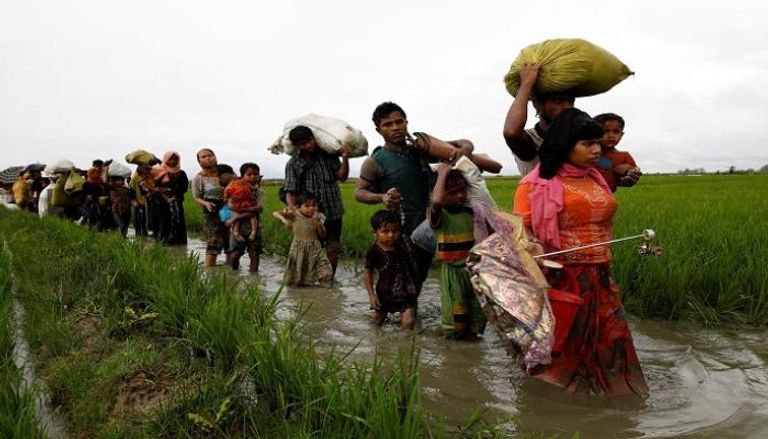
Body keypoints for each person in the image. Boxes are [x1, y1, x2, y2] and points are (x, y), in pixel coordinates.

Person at [512, 108, 648, 397]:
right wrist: (533, 246)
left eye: (597, 143)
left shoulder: (596, 178)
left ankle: (614, 397)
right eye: (587, 144)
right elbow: (521, 232)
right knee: (565, 348)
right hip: (561, 279)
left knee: (612, 339)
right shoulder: (535, 185)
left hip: (600, 274)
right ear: (565, 144)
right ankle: (553, 403)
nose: (597, 149)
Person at [355, 101, 474, 292]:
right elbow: (359, 192)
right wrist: (382, 197)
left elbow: (466, 144)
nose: (395, 127)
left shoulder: (423, 150)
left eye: (399, 122)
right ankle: (388, 308)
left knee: (420, 277)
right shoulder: (375, 161)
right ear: (379, 130)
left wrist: (462, 152)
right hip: (400, 231)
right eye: (388, 124)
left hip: (430, 226)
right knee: (401, 281)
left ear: (406, 122)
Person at [282, 126, 350, 277]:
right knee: (310, 247)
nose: (308, 145)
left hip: (333, 210)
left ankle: (328, 280)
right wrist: (293, 210)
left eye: (309, 141)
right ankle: (308, 279)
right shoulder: (293, 164)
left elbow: (342, 177)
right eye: (302, 144)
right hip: (309, 214)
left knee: (333, 247)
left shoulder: (329, 155)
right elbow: (290, 190)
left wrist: (345, 157)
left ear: (314, 138)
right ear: (296, 146)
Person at [430, 164, 486, 340]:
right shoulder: (439, 215)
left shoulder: (471, 212)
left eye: (462, 191)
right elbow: (437, 201)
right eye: (452, 193)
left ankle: (468, 352)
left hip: (474, 272)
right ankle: (451, 349)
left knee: (476, 323)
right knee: (457, 325)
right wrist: (442, 173)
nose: (460, 195)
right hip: (453, 273)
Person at [503, 64, 575, 175]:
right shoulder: (532, 140)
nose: (567, 107)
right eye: (557, 101)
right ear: (537, 104)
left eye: (570, 102)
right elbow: (511, 133)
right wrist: (526, 84)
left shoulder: (578, 138)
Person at [363, 210, 418, 329]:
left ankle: (406, 340)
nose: (391, 235)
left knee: (408, 322)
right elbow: (367, 273)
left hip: (406, 291)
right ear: (375, 233)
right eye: (385, 231)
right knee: (377, 322)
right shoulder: (373, 251)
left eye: (395, 231)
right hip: (385, 293)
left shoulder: (402, 244)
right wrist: (372, 295)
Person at [277, 192, 333, 287]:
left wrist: (318, 223)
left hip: (315, 248)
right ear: (299, 207)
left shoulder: (319, 217)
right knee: (296, 275)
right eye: (307, 206)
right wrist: (284, 220)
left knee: (326, 271)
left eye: (314, 205)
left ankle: (328, 291)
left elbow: (323, 235)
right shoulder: (294, 215)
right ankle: (298, 291)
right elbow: (276, 213)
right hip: (298, 249)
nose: (311, 208)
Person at [224, 163, 265, 273]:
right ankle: (234, 275)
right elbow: (230, 206)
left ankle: (254, 278)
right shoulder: (235, 189)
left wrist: (239, 211)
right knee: (234, 255)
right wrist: (248, 210)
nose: (253, 177)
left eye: (255, 174)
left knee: (254, 254)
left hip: (255, 226)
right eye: (249, 174)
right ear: (242, 176)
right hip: (237, 228)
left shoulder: (260, 192)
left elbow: (259, 208)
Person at [191, 149, 228, 267]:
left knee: (231, 242)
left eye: (210, 155)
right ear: (199, 161)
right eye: (203, 157)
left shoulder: (225, 173)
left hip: (228, 210)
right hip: (212, 212)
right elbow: (196, 197)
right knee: (213, 243)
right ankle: (210, 272)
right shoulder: (198, 178)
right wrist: (206, 203)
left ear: (215, 157)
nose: (207, 158)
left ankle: (231, 270)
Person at [594, 113, 642, 192]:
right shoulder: (585, 154)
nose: (611, 135)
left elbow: (632, 176)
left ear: (621, 135)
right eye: (605, 131)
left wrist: (630, 177)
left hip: (606, 197)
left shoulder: (624, 157)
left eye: (616, 131)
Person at [151, 151, 188, 245]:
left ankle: (179, 242)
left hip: (177, 200)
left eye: (175, 159)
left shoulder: (181, 173)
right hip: (162, 201)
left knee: (178, 220)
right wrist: (163, 192)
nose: (172, 161)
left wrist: (173, 194)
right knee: (163, 220)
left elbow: (184, 187)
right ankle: (163, 241)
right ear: (166, 159)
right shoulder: (159, 172)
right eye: (170, 159)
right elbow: (154, 185)